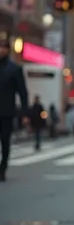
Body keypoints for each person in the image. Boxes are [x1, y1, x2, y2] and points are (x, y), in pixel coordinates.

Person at [0, 37, 28, 181]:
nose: (1, 50)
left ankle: (2, 168)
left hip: (6, 112)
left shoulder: (14, 69)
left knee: (5, 141)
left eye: (4, 47)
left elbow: (22, 92)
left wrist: (24, 114)